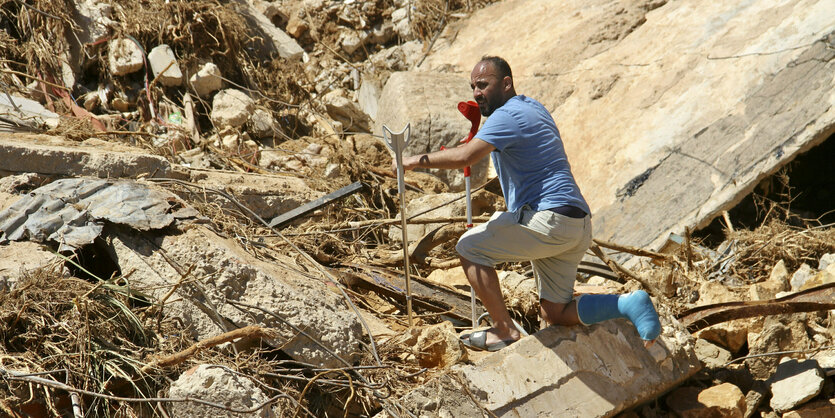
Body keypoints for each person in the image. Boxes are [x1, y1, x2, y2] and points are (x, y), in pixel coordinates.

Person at [395, 56, 661, 351]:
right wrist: (476, 141)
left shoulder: (506, 116)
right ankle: (629, 305)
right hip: (576, 224)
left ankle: (505, 330)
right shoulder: (533, 107)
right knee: (555, 312)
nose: (476, 92)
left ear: (506, 83)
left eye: (483, 85)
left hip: (548, 219)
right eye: (473, 86)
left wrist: (411, 161)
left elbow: (465, 158)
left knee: (469, 248)